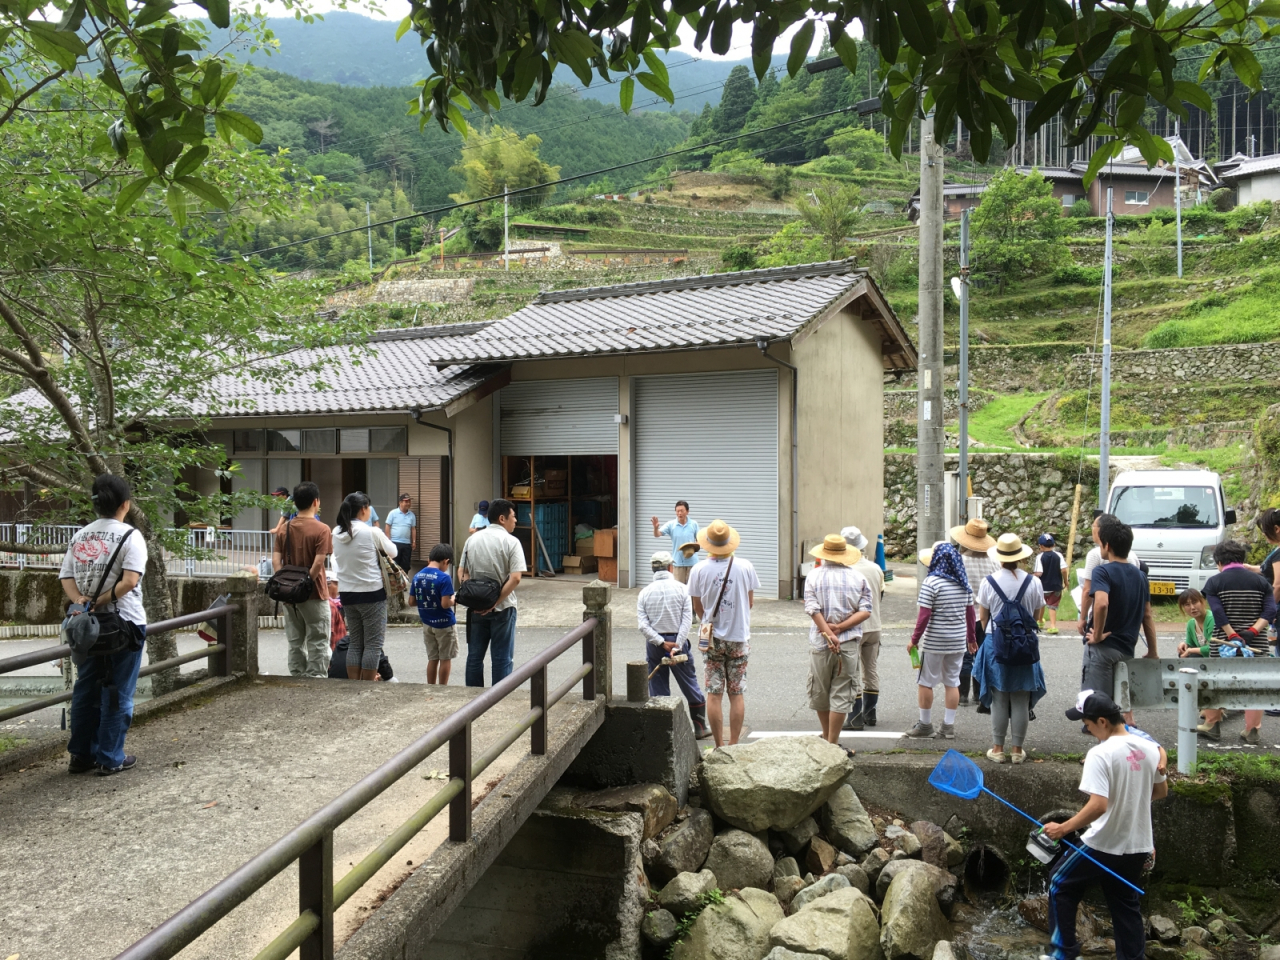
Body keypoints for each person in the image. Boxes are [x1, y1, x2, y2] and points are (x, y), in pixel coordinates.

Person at [1042, 690, 1167, 960]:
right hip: (1138, 844)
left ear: (1102, 721)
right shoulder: (1149, 748)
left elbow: (1099, 805)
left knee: (1059, 882)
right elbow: (1160, 792)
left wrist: (1062, 829)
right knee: (1125, 903)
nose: (1087, 731)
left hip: (1104, 842)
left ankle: (1062, 953)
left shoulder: (1101, 754)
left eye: (1087, 725)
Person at [59, 474, 148, 776]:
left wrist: (83, 603)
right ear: (125, 503)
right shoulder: (130, 535)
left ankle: (81, 755)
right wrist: (103, 599)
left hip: (86, 625)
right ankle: (111, 757)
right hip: (123, 624)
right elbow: (130, 581)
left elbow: (66, 578)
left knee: (86, 688)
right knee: (118, 691)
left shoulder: (80, 536)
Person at [974, 533, 1047, 764]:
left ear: (999, 558)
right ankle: (1017, 750)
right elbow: (1037, 616)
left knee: (998, 697)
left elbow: (983, 618)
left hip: (996, 646)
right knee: (1020, 698)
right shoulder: (1034, 582)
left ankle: (998, 749)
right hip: (1025, 647)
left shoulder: (989, 582)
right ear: (1021, 557)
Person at [688, 519, 761, 748]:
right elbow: (749, 602)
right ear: (730, 543)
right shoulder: (745, 566)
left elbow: (698, 608)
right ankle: (735, 745)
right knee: (736, 693)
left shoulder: (698, 569)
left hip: (712, 639)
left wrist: (710, 617)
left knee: (714, 692)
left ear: (708, 543)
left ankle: (719, 745)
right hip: (738, 637)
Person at [1199, 539, 1274, 743]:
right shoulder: (1261, 582)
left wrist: (1232, 634)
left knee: (1215, 679)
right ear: (1242, 559)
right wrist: (1252, 631)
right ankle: (1252, 730)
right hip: (1256, 643)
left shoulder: (1214, 582)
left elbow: (1218, 612)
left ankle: (1212, 724)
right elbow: (1270, 610)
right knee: (1255, 683)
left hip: (1224, 642)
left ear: (1219, 562)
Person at [1083, 515, 1158, 721]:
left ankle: (1104, 752)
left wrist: (1097, 634)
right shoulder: (1140, 576)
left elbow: (1101, 603)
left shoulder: (1102, 571)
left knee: (1098, 710)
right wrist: (1152, 650)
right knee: (1117, 708)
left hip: (1103, 649)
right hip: (1127, 649)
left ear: (1106, 545)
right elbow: (1147, 615)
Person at [805, 534, 873, 746]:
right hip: (849, 643)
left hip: (821, 642)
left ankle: (825, 737)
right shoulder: (858, 578)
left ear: (824, 554)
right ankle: (833, 743)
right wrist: (840, 628)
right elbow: (866, 611)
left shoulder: (813, 576)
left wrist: (828, 633)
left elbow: (812, 609)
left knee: (821, 690)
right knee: (842, 693)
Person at [906, 541, 977, 740]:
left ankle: (925, 725)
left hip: (935, 641)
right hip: (957, 641)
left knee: (926, 682)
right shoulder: (964, 584)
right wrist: (971, 639)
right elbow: (970, 615)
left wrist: (914, 639)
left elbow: (924, 616)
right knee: (952, 682)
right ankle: (948, 726)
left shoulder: (931, 583)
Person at [637, 550, 711, 739]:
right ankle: (700, 727)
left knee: (658, 684)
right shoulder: (682, 589)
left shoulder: (644, 593)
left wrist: (662, 643)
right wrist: (677, 644)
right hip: (678, 643)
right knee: (688, 681)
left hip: (655, 645)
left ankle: (664, 731)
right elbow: (688, 620)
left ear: (652, 569)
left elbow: (642, 626)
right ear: (671, 567)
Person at [458, 498, 526, 686]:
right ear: (502, 518)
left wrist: (473, 597)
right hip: (503, 607)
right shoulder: (511, 542)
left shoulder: (472, 540)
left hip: (476, 608)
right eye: (513, 517)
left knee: (474, 658)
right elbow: (516, 577)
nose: (516, 521)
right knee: (502, 658)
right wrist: (494, 602)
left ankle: (473, 701)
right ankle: (499, 700)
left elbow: (462, 572)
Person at [331, 491, 396, 681]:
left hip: (347, 594)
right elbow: (393, 552)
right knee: (373, 644)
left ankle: (354, 685)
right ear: (363, 509)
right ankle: (367, 685)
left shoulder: (336, 532)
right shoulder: (371, 532)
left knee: (356, 642)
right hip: (371, 594)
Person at [271, 481, 332, 679]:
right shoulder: (322, 529)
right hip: (313, 592)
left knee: (295, 640)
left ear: (295, 503)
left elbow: (275, 561)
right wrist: (304, 584)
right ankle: (315, 677)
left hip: (288, 593)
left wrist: (286, 585)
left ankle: (296, 675)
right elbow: (318, 564)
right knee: (318, 638)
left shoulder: (284, 529)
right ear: (316, 502)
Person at [951, 517, 998, 708]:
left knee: (964, 654)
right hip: (988, 616)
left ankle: (962, 695)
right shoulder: (994, 562)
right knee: (982, 654)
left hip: (964, 614)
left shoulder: (959, 561)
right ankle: (979, 694)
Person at [841, 525, 885, 730]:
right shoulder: (875, 568)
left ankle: (855, 717)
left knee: (854, 671)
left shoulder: (846, 570)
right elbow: (881, 595)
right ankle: (871, 714)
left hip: (854, 627)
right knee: (871, 669)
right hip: (875, 625)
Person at [1077, 512, 1141, 636]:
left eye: (1094, 526)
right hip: (1127, 622)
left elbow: (1088, 591)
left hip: (1103, 622)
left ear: (1101, 531)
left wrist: (1083, 618)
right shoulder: (1133, 556)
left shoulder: (1095, 555)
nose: (1092, 529)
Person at [1175, 588, 1220, 739]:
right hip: (1204, 664)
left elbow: (1214, 648)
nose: (1192, 607)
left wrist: (1191, 650)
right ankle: (1208, 708)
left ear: (1203, 602)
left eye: (1195, 602)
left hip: (1218, 662)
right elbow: (1190, 644)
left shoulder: (1212, 619)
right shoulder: (1190, 624)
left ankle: (1212, 720)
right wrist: (1184, 646)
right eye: (1186, 605)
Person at [413, 543, 458, 685]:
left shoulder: (417, 576)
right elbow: (445, 603)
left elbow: (411, 601)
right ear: (446, 561)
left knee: (432, 658)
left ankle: (430, 687)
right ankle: (442, 688)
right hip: (444, 623)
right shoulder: (444, 578)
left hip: (427, 623)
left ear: (429, 559)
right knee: (445, 658)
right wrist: (454, 599)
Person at [652, 501, 700, 584]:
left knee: (693, 590)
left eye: (682, 511)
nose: (679, 513)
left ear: (687, 511)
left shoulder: (694, 524)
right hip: (678, 563)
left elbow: (699, 539)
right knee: (679, 588)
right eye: (677, 511)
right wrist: (656, 528)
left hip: (693, 562)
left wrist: (695, 547)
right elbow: (657, 534)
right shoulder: (671, 524)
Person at [1034, 533, 1066, 635]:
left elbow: (1039, 573)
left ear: (1041, 546)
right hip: (1056, 586)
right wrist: (1066, 581)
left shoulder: (1040, 557)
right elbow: (1064, 570)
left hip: (1043, 587)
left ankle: (1039, 621)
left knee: (1041, 603)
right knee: (1052, 605)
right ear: (1053, 545)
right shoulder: (1059, 555)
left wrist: (1033, 577)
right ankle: (1053, 626)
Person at [385, 494, 417, 574]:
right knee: (395, 564)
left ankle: (404, 583)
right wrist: (388, 540)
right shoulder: (393, 513)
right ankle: (395, 583)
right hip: (395, 542)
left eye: (409, 501)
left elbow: (413, 529)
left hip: (406, 544)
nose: (408, 503)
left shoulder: (412, 515)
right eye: (406, 501)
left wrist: (413, 542)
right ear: (400, 502)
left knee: (405, 565)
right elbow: (388, 526)